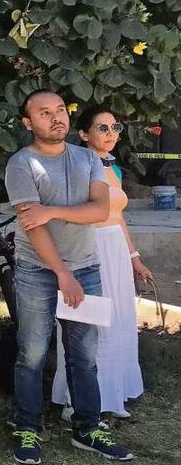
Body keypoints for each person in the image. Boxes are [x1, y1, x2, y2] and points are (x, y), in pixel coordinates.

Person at [5, 89, 133, 464]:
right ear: (28, 123)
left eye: (60, 110)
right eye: (44, 113)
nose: (55, 117)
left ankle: (87, 428)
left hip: (86, 268)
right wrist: (62, 272)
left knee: (84, 356)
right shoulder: (21, 164)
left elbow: (100, 211)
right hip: (37, 271)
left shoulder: (88, 158)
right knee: (32, 353)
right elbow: (33, 226)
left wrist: (51, 211)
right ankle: (27, 429)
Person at [51, 106, 150, 419]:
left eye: (115, 128)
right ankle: (76, 400)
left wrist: (134, 258)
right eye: (102, 128)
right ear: (83, 134)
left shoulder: (114, 169)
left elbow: (118, 217)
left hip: (115, 248)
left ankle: (113, 392)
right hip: (88, 246)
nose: (111, 134)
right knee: (89, 320)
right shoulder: (76, 167)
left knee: (118, 317)